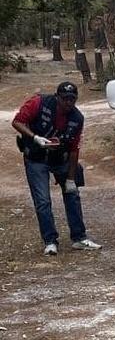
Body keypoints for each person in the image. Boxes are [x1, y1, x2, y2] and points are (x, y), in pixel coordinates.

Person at [11, 82, 102, 255]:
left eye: (72, 99)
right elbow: (17, 122)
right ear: (57, 97)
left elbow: (75, 149)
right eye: (65, 98)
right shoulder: (39, 103)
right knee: (43, 201)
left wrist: (70, 179)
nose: (68, 103)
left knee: (72, 194)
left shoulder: (77, 118)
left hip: (61, 159)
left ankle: (79, 238)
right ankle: (50, 241)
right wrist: (35, 137)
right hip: (36, 158)